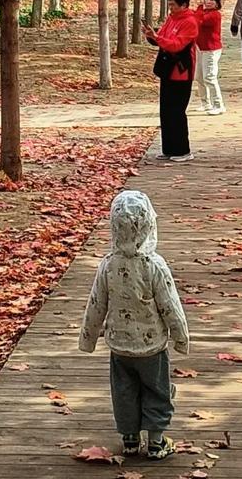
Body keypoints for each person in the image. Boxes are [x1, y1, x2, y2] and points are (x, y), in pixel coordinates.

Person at [78, 189, 190, 460]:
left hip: (119, 346)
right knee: (157, 390)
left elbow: (96, 304)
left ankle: (129, 439)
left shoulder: (108, 265)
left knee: (124, 392)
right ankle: (156, 441)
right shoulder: (154, 265)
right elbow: (170, 305)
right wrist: (180, 336)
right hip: (152, 347)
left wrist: (89, 338)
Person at [145, 0, 198, 159]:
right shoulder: (171, 18)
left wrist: (158, 38)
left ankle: (182, 150)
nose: (171, 8)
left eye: (174, 5)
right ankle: (169, 149)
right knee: (166, 111)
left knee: (177, 112)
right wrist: (152, 36)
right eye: (169, 4)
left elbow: (177, 45)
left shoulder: (190, 22)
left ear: (184, 5)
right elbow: (163, 38)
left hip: (182, 72)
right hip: (167, 70)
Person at [195, 0, 225, 115]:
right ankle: (205, 102)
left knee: (209, 77)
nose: (208, 2)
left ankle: (218, 104)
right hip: (200, 48)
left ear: (217, 3)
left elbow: (199, 21)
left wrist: (199, 10)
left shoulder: (215, 15)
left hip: (211, 49)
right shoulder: (202, 11)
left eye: (212, 0)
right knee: (199, 77)